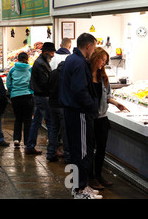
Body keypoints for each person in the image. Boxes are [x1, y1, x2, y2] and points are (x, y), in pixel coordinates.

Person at [60, 33, 101, 199]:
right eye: (94, 47)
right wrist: (91, 106)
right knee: (83, 152)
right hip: (79, 112)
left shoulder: (71, 59)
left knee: (78, 150)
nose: (94, 51)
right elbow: (79, 90)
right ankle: (80, 190)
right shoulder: (78, 62)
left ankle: (80, 186)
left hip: (72, 112)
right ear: (88, 46)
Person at [88, 47, 129, 190]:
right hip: (89, 119)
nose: (103, 63)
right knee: (88, 149)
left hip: (102, 119)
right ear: (95, 58)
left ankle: (98, 175)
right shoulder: (85, 76)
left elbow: (107, 96)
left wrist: (117, 103)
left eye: (105, 61)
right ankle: (90, 177)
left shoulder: (103, 77)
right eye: (102, 60)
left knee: (101, 148)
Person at [26, 42, 56, 156]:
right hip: (43, 96)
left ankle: (30, 146)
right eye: (52, 53)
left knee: (37, 122)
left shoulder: (41, 62)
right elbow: (45, 83)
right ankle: (52, 151)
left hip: (39, 96)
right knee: (51, 123)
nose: (53, 55)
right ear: (45, 52)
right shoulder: (41, 64)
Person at [6, 52, 33, 148]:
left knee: (18, 119)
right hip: (27, 96)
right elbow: (33, 82)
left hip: (15, 97)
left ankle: (16, 139)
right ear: (27, 59)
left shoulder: (12, 70)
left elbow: (8, 84)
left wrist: (12, 91)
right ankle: (27, 142)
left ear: (17, 59)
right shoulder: (30, 69)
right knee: (27, 120)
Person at [48, 60, 71, 163]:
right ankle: (67, 156)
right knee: (66, 131)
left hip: (52, 105)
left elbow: (47, 87)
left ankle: (51, 153)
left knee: (54, 129)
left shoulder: (52, 73)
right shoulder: (67, 74)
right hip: (63, 105)